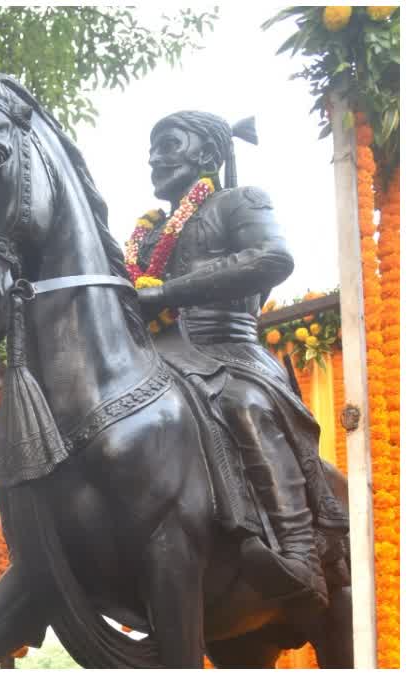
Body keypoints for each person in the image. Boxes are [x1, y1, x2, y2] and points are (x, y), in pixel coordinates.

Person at [135, 111, 347, 609]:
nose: (155, 157)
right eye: (152, 148)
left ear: (208, 155)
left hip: (230, 349)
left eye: (169, 144)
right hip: (155, 355)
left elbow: (272, 259)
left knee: (244, 403)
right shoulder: (146, 233)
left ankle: (301, 554)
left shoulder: (240, 202)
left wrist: (168, 290)